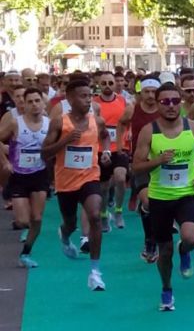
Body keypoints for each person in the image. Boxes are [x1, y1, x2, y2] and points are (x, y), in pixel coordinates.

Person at [132, 83, 194, 311]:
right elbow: (136, 167)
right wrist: (157, 161)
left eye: (174, 101)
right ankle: (167, 289)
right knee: (165, 251)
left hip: (186, 194)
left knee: (191, 237)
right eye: (165, 102)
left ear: (180, 102)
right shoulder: (149, 131)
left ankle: (185, 250)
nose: (170, 106)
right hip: (159, 197)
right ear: (158, 104)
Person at [42, 79, 111, 291]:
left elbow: (106, 136)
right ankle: (64, 234)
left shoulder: (96, 121)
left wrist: (106, 151)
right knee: (71, 223)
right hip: (65, 181)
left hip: (90, 177)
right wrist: (65, 141)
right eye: (83, 96)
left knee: (94, 214)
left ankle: (95, 272)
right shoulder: (59, 123)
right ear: (70, 99)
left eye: (90, 95)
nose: (88, 100)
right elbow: (45, 153)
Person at [0, 88, 50, 268]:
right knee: (23, 221)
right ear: (24, 105)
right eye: (30, 101)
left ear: (43, 103)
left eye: (38, 101)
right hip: (19, 176)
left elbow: (55, 146)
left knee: (37, 218)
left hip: (40, 175)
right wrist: (5, 161)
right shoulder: (16, 123)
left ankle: (26, 252)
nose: (34, 105)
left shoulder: (49, 124)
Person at [117, 76, 161, 262]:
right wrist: (120, 146)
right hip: (140, 162)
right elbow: (121, 123)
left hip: (162, 162)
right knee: (148, 200)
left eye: (154, 92)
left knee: (159, 204)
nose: (150, 96)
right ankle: (150, 240)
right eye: (147, 92)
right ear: (140, 93)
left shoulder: (165, 109)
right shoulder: (133, 109)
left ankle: (159, 236)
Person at [93, 71, 130, 232]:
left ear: (115, 84)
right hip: (101, 148)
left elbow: (130, 120)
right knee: (103, 186)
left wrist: (130, 132)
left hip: (120, 146)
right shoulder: (94, 103)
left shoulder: (124, 101)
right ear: (99, 85)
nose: (107, 86)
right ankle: (103, 214)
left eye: (110, 83)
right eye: (104, 83)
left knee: (121, 178)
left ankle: (118, 211)